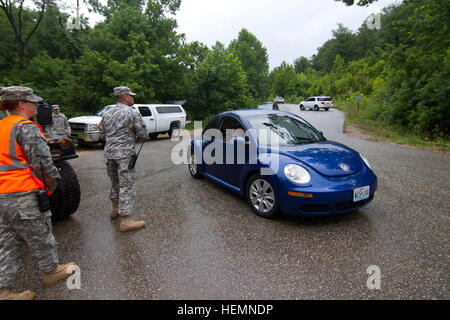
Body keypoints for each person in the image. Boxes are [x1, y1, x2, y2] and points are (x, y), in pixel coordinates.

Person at [0, 86, 78, 300]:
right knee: (42, 235)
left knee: (8, 242)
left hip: (3, 195)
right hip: (23, 192)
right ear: (20, 105)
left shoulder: (2, 126)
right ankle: (51, 271)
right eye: (32, 101)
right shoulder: (26, 127)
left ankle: (3, 289)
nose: (37, 105)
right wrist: (51, 187)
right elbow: (43, 164)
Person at [99, 86, 148, 232]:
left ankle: (114, 209)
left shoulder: (106, 113)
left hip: (109, 154)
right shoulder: (131, 113)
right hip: (125, 155)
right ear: (124, 97)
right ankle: (126, 220)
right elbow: (142, 133)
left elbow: (101, 135)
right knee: (126, 185)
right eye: (131, 95)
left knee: (114, 182)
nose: (133, 98)